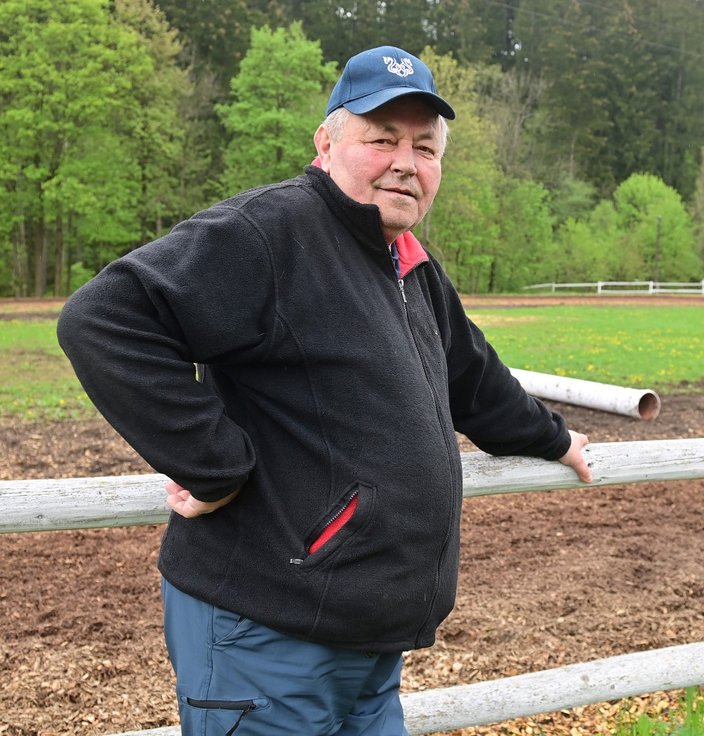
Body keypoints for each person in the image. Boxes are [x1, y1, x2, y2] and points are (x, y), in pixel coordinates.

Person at [57, 45, 591, 735]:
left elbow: (476, 382)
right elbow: (103, 319)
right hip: (265, 631)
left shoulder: (409, 264)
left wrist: (556, 439)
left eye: (424, 148)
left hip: (368, 642)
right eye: (381, 139)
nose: (406, 161)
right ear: (326, 142)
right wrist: (211, 464)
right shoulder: (272, 232)